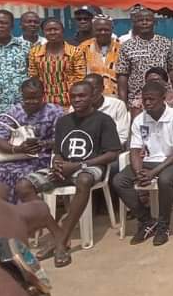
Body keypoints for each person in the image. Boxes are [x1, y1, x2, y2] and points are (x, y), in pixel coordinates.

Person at [16, 81, 121, 267]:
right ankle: (59, 235)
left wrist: (78, 165)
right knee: (23, 185)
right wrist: (57, 164)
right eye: (73, 96)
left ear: (92, 97)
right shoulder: (64, 121)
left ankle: (60, 241)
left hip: (91, 166)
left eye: (82, 96)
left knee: (84, 179)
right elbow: (58, 151)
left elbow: (112, 153)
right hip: (65, 167)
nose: (77, 100)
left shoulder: (104, 120)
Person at [113, 80, 173, 246]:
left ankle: (163, 226)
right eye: (144, 99)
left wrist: (153, 173)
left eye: (151, 99)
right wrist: (139, 171)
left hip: (172, 162)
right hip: (148, 162)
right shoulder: (140, 119)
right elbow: (134, 149)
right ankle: (147, 220)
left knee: (165, 180)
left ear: (163, 98)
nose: (147, 103)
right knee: (119, 181)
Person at [0, 79, 63, 203]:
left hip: (43, 158)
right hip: (16, 156)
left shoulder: (55, 112)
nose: (31, 102)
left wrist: (44, 144)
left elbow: (62, 139)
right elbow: (0, 137)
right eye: (27, 98)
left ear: (43, 95)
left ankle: (24, 214)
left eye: (36, 98)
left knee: (20, 175)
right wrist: (18, 149)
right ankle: (4, 214)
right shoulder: (15, 111)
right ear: (22, 95)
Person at [116, 8, 173, 109]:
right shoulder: (127, 46)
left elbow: (171, 70)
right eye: (140, 20)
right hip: (137, 100)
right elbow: (123, 75)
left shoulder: (165, 43)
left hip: (164, 98)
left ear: (154, 22)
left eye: (148, 20)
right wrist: (123, 102)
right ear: (135, 23)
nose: (144, 23)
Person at [28, 18, 87, 108]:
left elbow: (80, 77)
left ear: (62, 31)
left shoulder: (75, 51)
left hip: (69, 102)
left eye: (56, 29)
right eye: (48, 30)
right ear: (43, 32)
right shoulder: (35, 52)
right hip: (45, 103)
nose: (52, 32)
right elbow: (33, 77)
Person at [78, 14, 122, 96]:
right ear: (93, 30)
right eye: (99, 30)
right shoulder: (83, 48)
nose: (103, 32)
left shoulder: (122, 47)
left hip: (116, 97)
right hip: (91, 97)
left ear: (112, 29)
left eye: (106, 30)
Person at [83, 73, 130, 146]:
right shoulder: (76, 107)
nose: (90, 92)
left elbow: (122, 136)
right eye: (86, 88)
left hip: (111, 149)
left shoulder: (117, 105)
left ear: (102, 88)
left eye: (94, 88)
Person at [0, 10, 30, 114]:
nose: (0, 25)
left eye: (4, 23)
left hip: (22, 108)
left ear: (12, 26)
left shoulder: (26, 46)